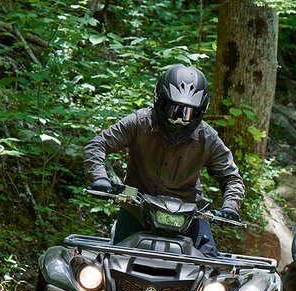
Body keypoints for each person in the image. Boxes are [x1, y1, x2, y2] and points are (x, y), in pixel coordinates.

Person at [85, 64, 245, 255]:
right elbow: (98, 144)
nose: (179, 120)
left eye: (187, 113)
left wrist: (230, 207)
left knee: (209, 263)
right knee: (113, 259)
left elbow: (231, 177)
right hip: (137, 209)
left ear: (200, 112)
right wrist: (100, 178)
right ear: (159, 101)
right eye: (173, 110)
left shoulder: (208, 138)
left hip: (189, 216)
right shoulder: (139, 122)